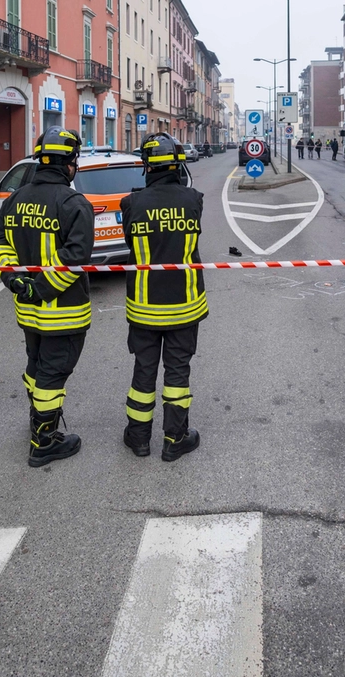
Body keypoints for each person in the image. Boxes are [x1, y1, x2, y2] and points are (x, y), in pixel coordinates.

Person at [0, 128, 93, 467]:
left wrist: (13, 279)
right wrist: (40, 288)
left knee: (36, 367)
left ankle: (38, 418)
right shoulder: (75, 203)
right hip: (63, 312)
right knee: (52, 373)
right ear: (70, 164)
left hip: (27, 310)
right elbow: (75, 257)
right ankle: (44, 440)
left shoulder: (16, 198)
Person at [119, 134, 205, 461]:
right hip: (185, 304)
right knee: (177, 372)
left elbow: (130, 240)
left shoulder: (132, 204)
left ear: (145, 166)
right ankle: (175, 439)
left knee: (144, 369)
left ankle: (138, 438)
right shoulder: (193, 199)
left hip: (144, 305)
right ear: (178, 165)